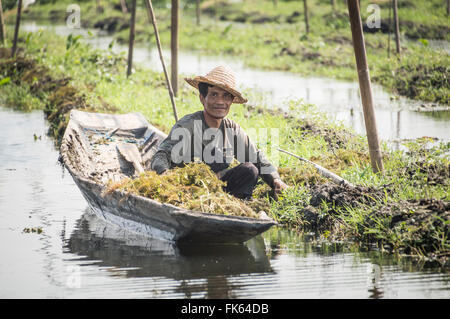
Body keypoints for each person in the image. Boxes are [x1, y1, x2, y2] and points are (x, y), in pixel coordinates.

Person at [150, 65, 288, 200]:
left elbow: (258, 158)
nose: (220, 102)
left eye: (226, 96)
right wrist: (164, 174)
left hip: (219, 191)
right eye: (214, 95)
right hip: (187, 190)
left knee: (250, 170)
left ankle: (238, 205)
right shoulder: (188, 125)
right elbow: (161, 155)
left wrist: (276, 180)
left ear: (231, 101)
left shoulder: (232, 129)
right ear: (202, 98)